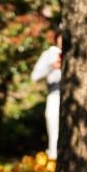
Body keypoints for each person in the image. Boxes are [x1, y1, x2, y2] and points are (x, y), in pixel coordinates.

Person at [30, 31, 62, 160]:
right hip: (55, 95)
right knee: (54, 132)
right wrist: (52, 66)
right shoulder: (50, 54)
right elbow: (35, 76)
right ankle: (53, 159)